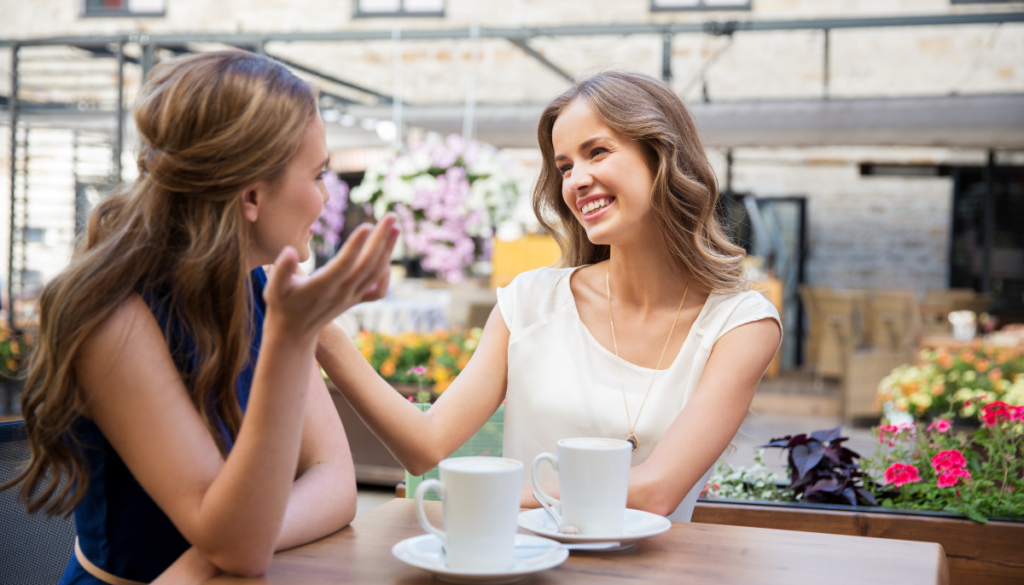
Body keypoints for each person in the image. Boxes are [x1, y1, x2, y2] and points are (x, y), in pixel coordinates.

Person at [2, 50, 398, 584]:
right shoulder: (116, 318)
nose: (327, 197)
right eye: (320, 173)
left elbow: (335, 484)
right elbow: (241, 548)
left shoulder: (260, 284)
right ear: (253, 194)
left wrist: (207, 553)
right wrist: (292, 337)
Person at [318, 71, 782, 521]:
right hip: (522, 567)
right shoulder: (529, 302)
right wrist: (319, 332)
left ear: (661, 157)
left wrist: (489, 495)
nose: (576, 180)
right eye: (564, 166)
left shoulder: (740, 323)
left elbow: (656, 492)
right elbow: (425, 445)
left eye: (597, 152)